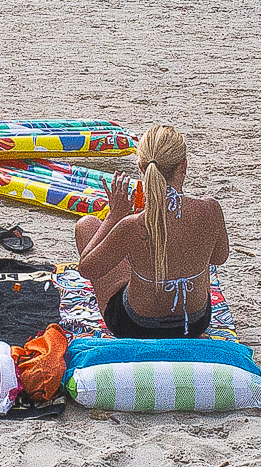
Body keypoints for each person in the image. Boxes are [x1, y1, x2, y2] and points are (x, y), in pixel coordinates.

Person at [74, 123, 230, 338]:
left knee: (87, 225)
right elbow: (219, 258)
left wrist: (115, 215)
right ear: (183, 166)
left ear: (142, 169)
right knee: (163, 260)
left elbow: (87, 268)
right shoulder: (210, 210)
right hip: (194, 323)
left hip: (136, 327)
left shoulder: (133, 224)